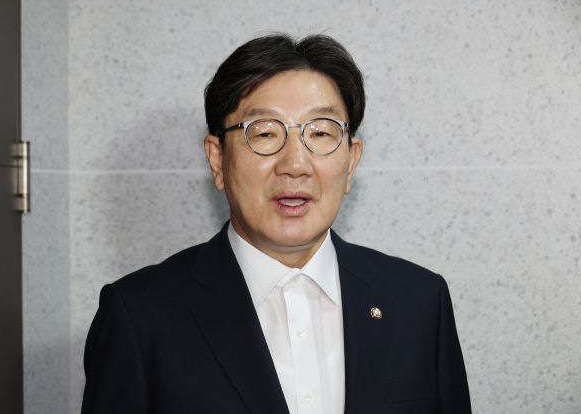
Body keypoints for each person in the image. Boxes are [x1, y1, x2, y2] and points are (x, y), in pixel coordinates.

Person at [81, 34, 471, 414]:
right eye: (265, 133)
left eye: (320, 132)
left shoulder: (419, 302)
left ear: (351, 162)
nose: (295, 165)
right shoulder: (140, 317)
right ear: (217, 159)